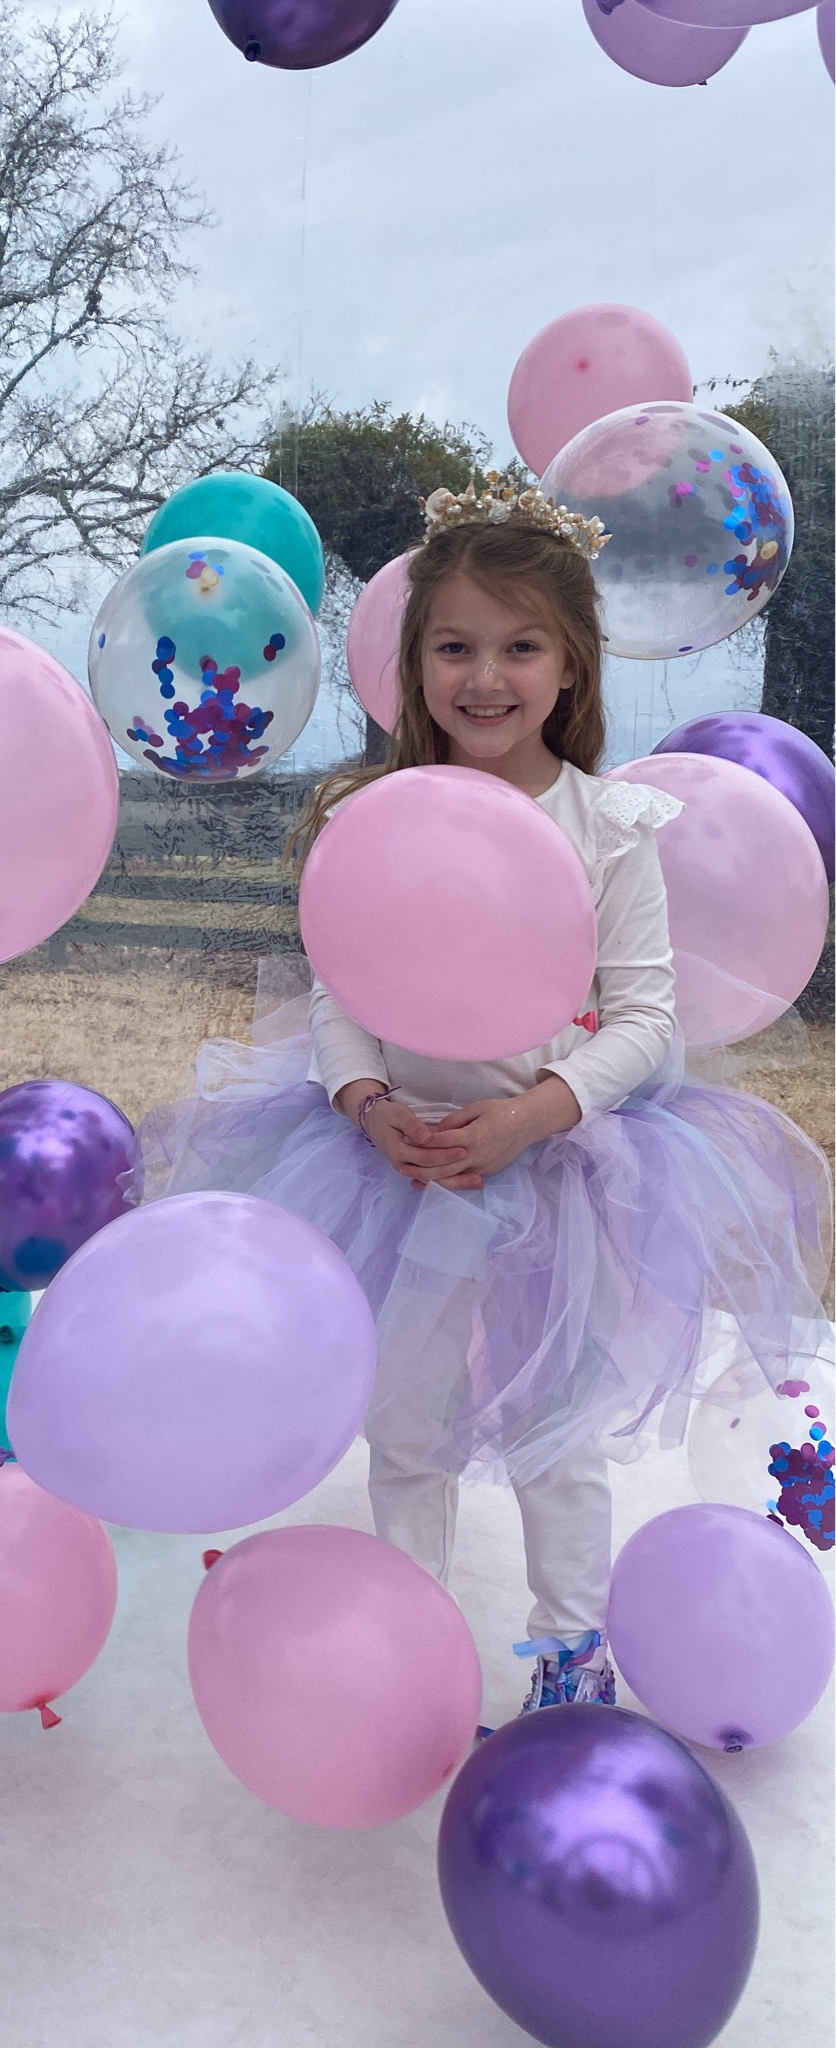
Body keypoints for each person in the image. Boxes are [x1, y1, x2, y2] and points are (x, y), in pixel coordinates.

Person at [137, 475, 833, 1714]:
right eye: (454, 646)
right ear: (415, 667)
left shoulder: (611, 826)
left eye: (521, 646)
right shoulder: (371, 814)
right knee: (407, 1423)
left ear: (570, 668)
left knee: (554, 1423)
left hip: (558, 1167)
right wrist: (361, 1100)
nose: (486, 675)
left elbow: (647, 1014)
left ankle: (569, 1653)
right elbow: (340, 981)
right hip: (391, 1161)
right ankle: (409, 1645)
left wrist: (532, 1114)